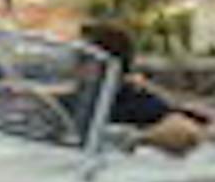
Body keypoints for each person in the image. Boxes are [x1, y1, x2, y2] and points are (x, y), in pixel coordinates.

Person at [80, 23, 205, 154]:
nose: (75, 65)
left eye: (83, 59)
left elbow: (187, 130)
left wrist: (135, 138)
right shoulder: (76, 99)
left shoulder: (135, 100)